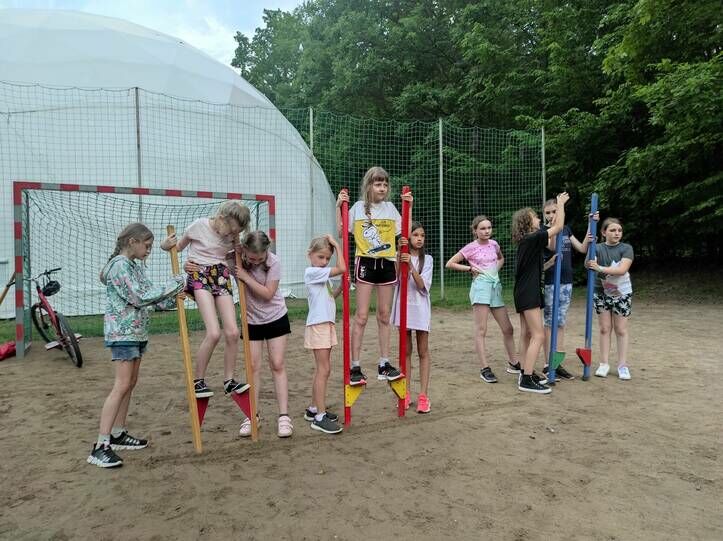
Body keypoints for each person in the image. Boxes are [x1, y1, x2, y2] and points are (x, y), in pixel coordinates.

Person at [88, 223, 184, 468]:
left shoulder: (134, 266)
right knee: (121, 385)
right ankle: (100, 445)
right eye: (147, 246)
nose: (149, 251)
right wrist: (175, 283)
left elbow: (151, 298)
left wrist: (175, 298)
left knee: (130, 383)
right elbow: (139, 297)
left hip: (137, 332)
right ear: (132, 241)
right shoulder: (119, 266)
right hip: (123, 333)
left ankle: (118, 434)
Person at [161, 201, 251, 399]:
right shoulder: (199, 226)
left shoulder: (233, 236)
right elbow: (177, 248)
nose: (231, 234)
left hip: (221, 275)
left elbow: (232, 260)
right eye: (231, 230)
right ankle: (198, 381)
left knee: (233, 332)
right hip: (199, 274)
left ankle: (229, 381)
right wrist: (165, 246)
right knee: (213, 332)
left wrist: (237, 248)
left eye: (236, 232)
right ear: (221, 218)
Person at [336, 166, 413, 386]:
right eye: (378, 184)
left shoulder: (390, 208)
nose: (382, 188)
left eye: (385, 184)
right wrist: (338, 206)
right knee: (361, 316)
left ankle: (384, 364)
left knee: (384, 315)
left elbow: (405, 232)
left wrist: (409, 206)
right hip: (366, 263)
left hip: (387, 263)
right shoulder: (358, 208)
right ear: (369, 185)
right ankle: (355, 366)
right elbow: (342, 231)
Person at [446, 215, 520, 383]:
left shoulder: (494, 244)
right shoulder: (471, 247)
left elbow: (501, 258)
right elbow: (450, 263)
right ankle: (485, 368)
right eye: (482, 228)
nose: (487, 231)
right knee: (481, 329)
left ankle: (514, 363)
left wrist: (493, 272)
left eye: (489, 228)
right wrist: (469, 269)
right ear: (475, 231)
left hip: (495, 288)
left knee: (508, 328)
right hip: (480, 289)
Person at [235, 231, 293, 438]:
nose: (256, 262)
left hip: (276, 317)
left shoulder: (273, 262)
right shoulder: (237, 258)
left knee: (277, 364)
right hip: (251, 320)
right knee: (252, 367)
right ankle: (252, 415)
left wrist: (245, 277)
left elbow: (268, 294)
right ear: (245, 250)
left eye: (260, 259)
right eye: (252, 258)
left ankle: (284, 417)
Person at [511, 192, 569, 394]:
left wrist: (549, 263)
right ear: (528, 223)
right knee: (538, 335)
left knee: (528, 334)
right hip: (528, 293)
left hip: (524, 291)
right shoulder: (532, 237)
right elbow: (559, 228)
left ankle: (525, 372)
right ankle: (526, 379)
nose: (539, 219)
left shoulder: (529, 240)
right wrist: (560, 204)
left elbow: (551, 245)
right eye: (535, 217)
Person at [541, 200, 596, 381]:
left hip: (567, 281)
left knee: (560, 322)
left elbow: (582, 248)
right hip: (551, 282)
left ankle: (557, 363)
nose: (551, 215)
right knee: (550, 323)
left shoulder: (566, 229)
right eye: (548, 212)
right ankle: (548, 364)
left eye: (554, 211)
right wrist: (554, 226)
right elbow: (551, 246)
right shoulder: (544, 231)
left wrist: (590, 224)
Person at [303, 235, 345, 434]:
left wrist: (340, 289)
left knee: (323, 369)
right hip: (318, 325)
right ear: (309, 255)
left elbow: (328, 298)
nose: (324, 261)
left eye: (327, 258)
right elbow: (342, 268)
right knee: (324, 369)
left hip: (325, 324)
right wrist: (336, 245)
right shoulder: (312, 272)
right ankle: (319, 417)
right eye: (321, 257)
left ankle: (314, 409)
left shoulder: (321, 276)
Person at [585, 218, 634, 380]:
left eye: (619, 230)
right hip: (601, 292)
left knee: (620, 329)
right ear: (604, 232)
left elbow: (622, 269)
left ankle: (622, 365)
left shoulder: (626, 248)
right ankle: (604, 363)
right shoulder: (597, 248)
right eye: (612, 230)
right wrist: (590, 246)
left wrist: (599, 268)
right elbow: (588, 264)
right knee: (604, 328)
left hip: (622, 293)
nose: (617, 233)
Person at [393, 221, 433, 413]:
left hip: (421, 309)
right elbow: (394, 280)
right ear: (408, 237)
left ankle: (423, 395)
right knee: (405, 352)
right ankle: (405, 392)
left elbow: (421, 285)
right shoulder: (399, 256)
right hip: (403, 308)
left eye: (422, 235)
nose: (419, 238)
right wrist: (399, 257)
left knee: (423, 351)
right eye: (415, 235)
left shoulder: (428, 260)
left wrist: (410, 265)